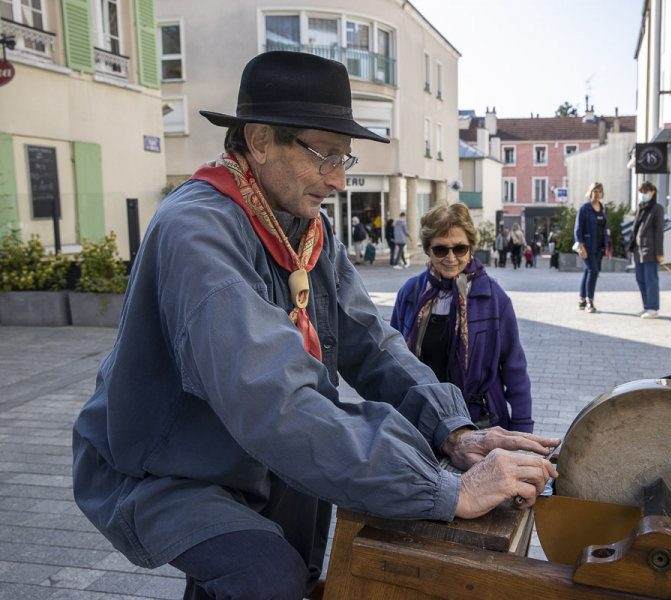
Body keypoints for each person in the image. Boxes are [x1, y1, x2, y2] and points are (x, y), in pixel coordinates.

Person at [70, 52, 558, 600]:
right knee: (265, 575)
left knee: (298, 573)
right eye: (322, 155)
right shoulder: (197, 233)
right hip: (165, 465)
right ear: (257, 140)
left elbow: (371, 344)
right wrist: (444, 490)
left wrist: (454, 431)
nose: (336, 178)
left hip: (253, 453)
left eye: (343, 158)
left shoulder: (306, 228)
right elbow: (275, 401)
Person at [391, 202, 534, 433]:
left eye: (459, 248)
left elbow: (514, 368)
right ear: (428, 248)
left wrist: (522, 428)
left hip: (481, 425)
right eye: (440, 249)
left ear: (470, 248)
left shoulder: (493, 297)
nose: (450, 257)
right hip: (422, 425)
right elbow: (393, 362)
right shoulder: (410, 294)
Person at [628, 181, 665, 319]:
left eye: (646, 191)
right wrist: (630, 247)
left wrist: (659, 252)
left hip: (651, 250)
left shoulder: (657, 208)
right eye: (641, 192)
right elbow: (634, 229)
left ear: (652, 192)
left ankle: (653, 308)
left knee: (651, 280)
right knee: (640, 279)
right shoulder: (640, 208)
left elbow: (659, 232)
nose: (643, 194)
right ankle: (646, 306)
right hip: (638, 250)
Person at [575, 182, 611, 313]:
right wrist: (581, 246)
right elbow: (578, 228)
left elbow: (604, 225)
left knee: (588, 272)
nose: (597, 194)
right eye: (595, 191)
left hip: (599, 247)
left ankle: (582, 300)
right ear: (591, 193)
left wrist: (607, 234)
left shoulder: (603, 208)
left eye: (600, 191)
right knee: (594, 271)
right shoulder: (584, 208)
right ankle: (590, 301)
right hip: (587, 246)